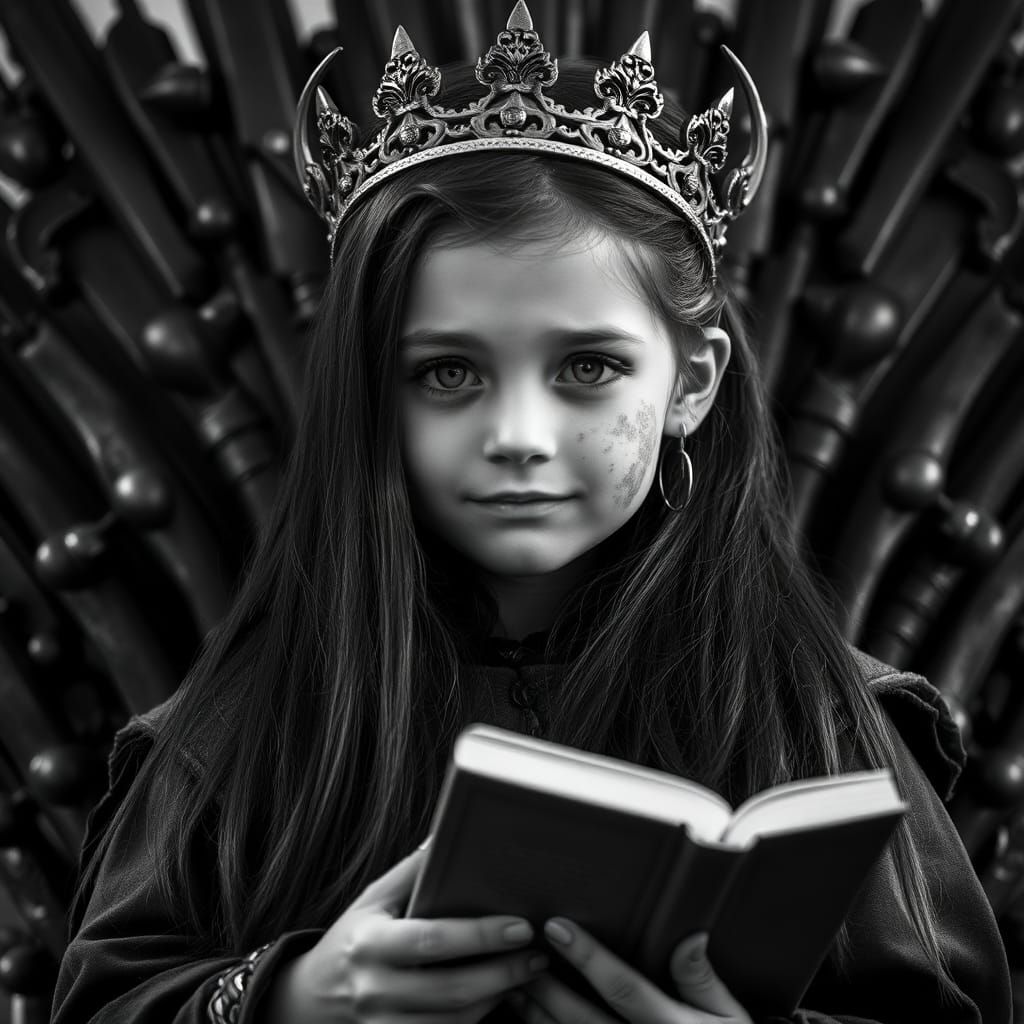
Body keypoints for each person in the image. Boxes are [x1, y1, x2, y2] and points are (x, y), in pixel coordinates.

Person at [52, 5, 1011, 1023]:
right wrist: (283, 995)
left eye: (587, 367)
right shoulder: (241, 728)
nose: (519, 433)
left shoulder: (821, 720)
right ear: (372, 391)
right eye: (449, 371)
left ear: (690, 383)